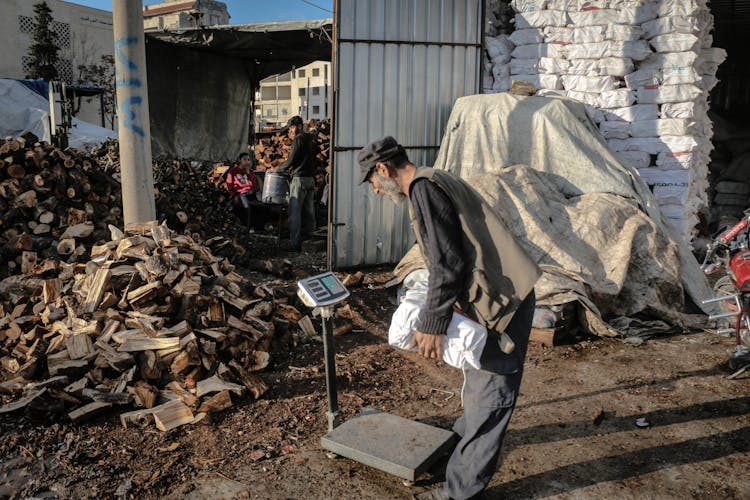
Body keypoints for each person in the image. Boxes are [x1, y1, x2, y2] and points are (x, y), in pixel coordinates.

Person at [357, 136, 541, 500]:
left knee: (491, 398)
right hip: (493, 298)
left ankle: (460, 492)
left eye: (373, 183)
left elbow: (448, 263)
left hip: (502, 307)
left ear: (383, 169)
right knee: (479, 387)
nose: (376, 191)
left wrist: (432, 323)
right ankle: (458, 451)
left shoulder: (423, 188)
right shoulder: (435, 178)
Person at [275, 115, 317, 251]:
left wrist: (279, 168)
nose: (291, 131)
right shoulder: (310, 138)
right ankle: (312, 241)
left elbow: (291, 159)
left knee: (295, 213)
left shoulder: (298, 140)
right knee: (310, 212)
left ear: (299, 126)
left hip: (299, 180)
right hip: (310, 179)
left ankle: (295, 244)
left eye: (292, 127)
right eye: (290, 128)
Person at [225, 152, 263, 232]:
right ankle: (249, 227)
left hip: (252, 191)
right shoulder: (233, 171)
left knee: (261, 203)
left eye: (248, 160)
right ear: (240, 160)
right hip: (242, 193)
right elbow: (229, 184)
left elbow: (254, 184)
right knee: (247, 206)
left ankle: (260, 226)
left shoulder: (250, 171)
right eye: (244, 159)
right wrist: (234, 195)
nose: (247, 162)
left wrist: (248, 173)